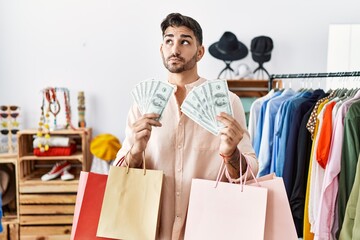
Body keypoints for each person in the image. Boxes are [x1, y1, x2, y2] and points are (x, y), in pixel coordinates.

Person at [114, 12, 258, 240]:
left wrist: (232, 154)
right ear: (161, 49)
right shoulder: (143, 105)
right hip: (151, 229)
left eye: (185, 41)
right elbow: (121, 175)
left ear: (200, 52)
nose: (175, 49)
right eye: (169, 40)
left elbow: (248, 175)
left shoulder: (229, 102)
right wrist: (136, 151)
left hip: (208, 228)